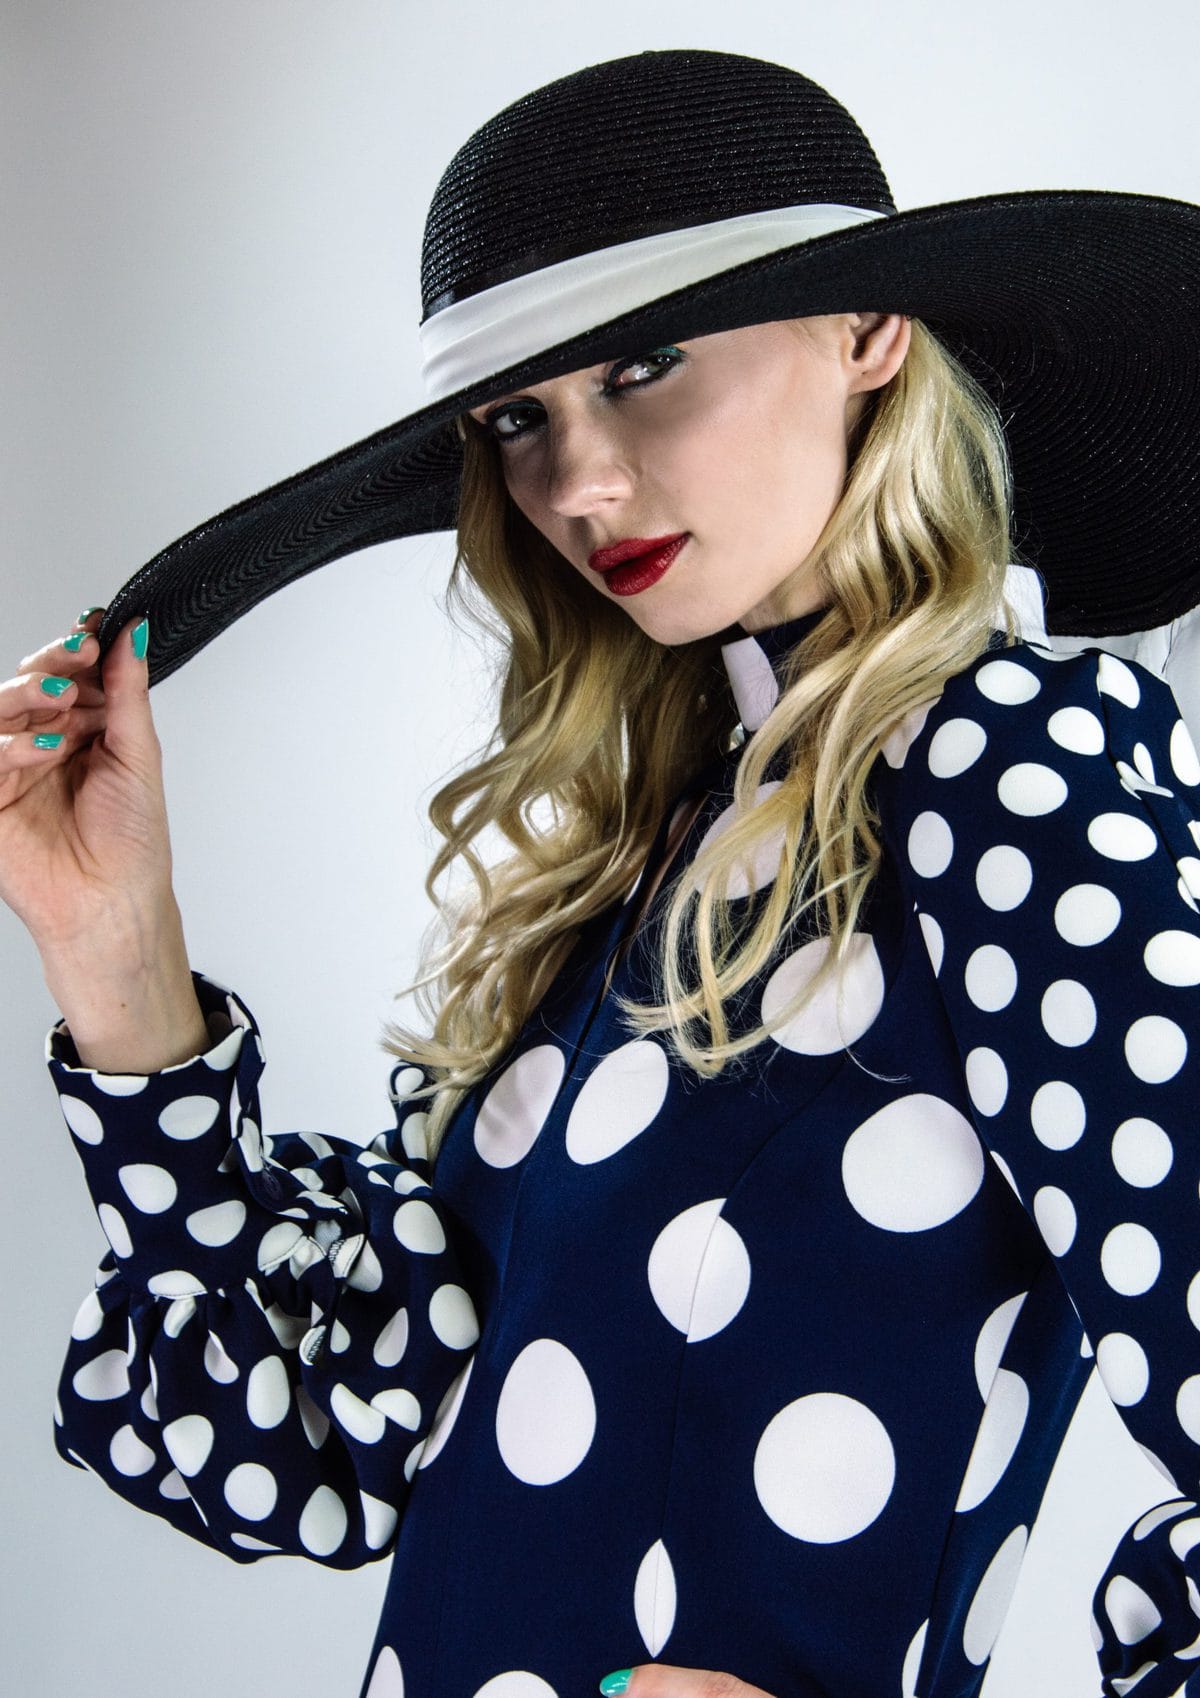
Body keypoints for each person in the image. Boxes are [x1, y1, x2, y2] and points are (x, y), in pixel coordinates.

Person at [5, 46, 1200, 1698]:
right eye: (519, 417)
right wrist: (117, 955)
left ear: (869, 331)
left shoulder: (1007, 765)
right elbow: (318, 1440)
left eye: (644, 367)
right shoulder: (649, 854)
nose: (578, 483)